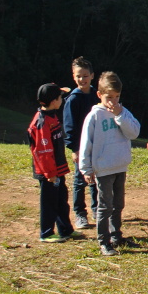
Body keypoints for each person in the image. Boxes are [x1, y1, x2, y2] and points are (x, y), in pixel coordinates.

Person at [79, 71, 140, 257]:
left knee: (118, 204)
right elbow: (85, 143)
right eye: (109, 97)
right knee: (105, 206)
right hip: (103, 169)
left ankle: (116, 236)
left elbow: (134, 132)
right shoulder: (94, 117)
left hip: (120, 165)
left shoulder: (122, 112)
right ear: (99, 95)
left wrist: (120, 115)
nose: (113, 101)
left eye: (117, 97)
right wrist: (86, 168)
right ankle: (103, 241)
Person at [28, 83, 75, 243]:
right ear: (54, 100)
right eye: (60, 97)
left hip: (58, 170)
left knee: (62, 200)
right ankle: (46, 233)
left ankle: (65, 230)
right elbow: (43, 151)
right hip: (49, 172)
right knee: (49, 203)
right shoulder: (42, 122)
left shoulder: (52, 116)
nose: (62, 99)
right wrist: (50, 174)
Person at [62, 57, 100, 230]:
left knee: (96, 179)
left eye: (85, 76)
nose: (82, 79)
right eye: (79, 76)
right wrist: (74, 149)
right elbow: (69, 127)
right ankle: (80, 214)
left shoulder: (97, 96)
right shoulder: (72, 100)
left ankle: (97, 209)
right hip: (81, 148)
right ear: (73, 77)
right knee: (79, 181)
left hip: (98, 146)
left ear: (92, 76)